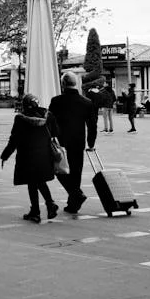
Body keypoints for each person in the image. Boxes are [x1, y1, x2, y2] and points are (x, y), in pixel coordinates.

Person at [0, 94, 59, 223]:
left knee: (32, 182)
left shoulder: (20, 118)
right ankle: (48, 204)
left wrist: (5, 155)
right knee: (38, 180)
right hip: (44, 154)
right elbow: (55, 133)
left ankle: (37, 211)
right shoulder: (48, 115)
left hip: (27, 155)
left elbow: (14, 140)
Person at [48, 71, 97, 214]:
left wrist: (50, 137)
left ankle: (76, 195)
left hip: (60, 141)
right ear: (76, 83)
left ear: (63, 84)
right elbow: (92, 125)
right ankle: (73, 203)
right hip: (78, 141)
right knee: (76, 172)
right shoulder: (86, 102)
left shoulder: (56, 101)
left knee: (58, 169)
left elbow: (50, 121)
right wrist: (91, 143)